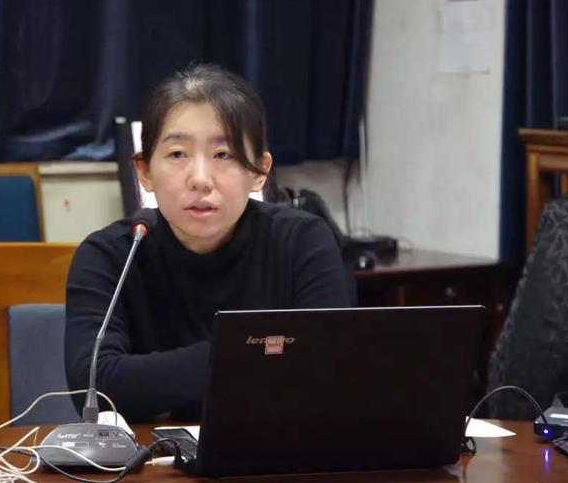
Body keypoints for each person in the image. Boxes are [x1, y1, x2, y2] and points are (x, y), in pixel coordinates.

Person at [65, 63, 352, 422]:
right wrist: (256, 352)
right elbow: (94, 389)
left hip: (275, 446)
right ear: (145, 172)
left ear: (259, 171)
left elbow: (328, 373)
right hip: (151, 454)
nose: (200, 179)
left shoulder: (302, 242)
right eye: (177, 154)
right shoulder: (110, 255)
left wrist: (171, 374)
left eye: (223, 154)